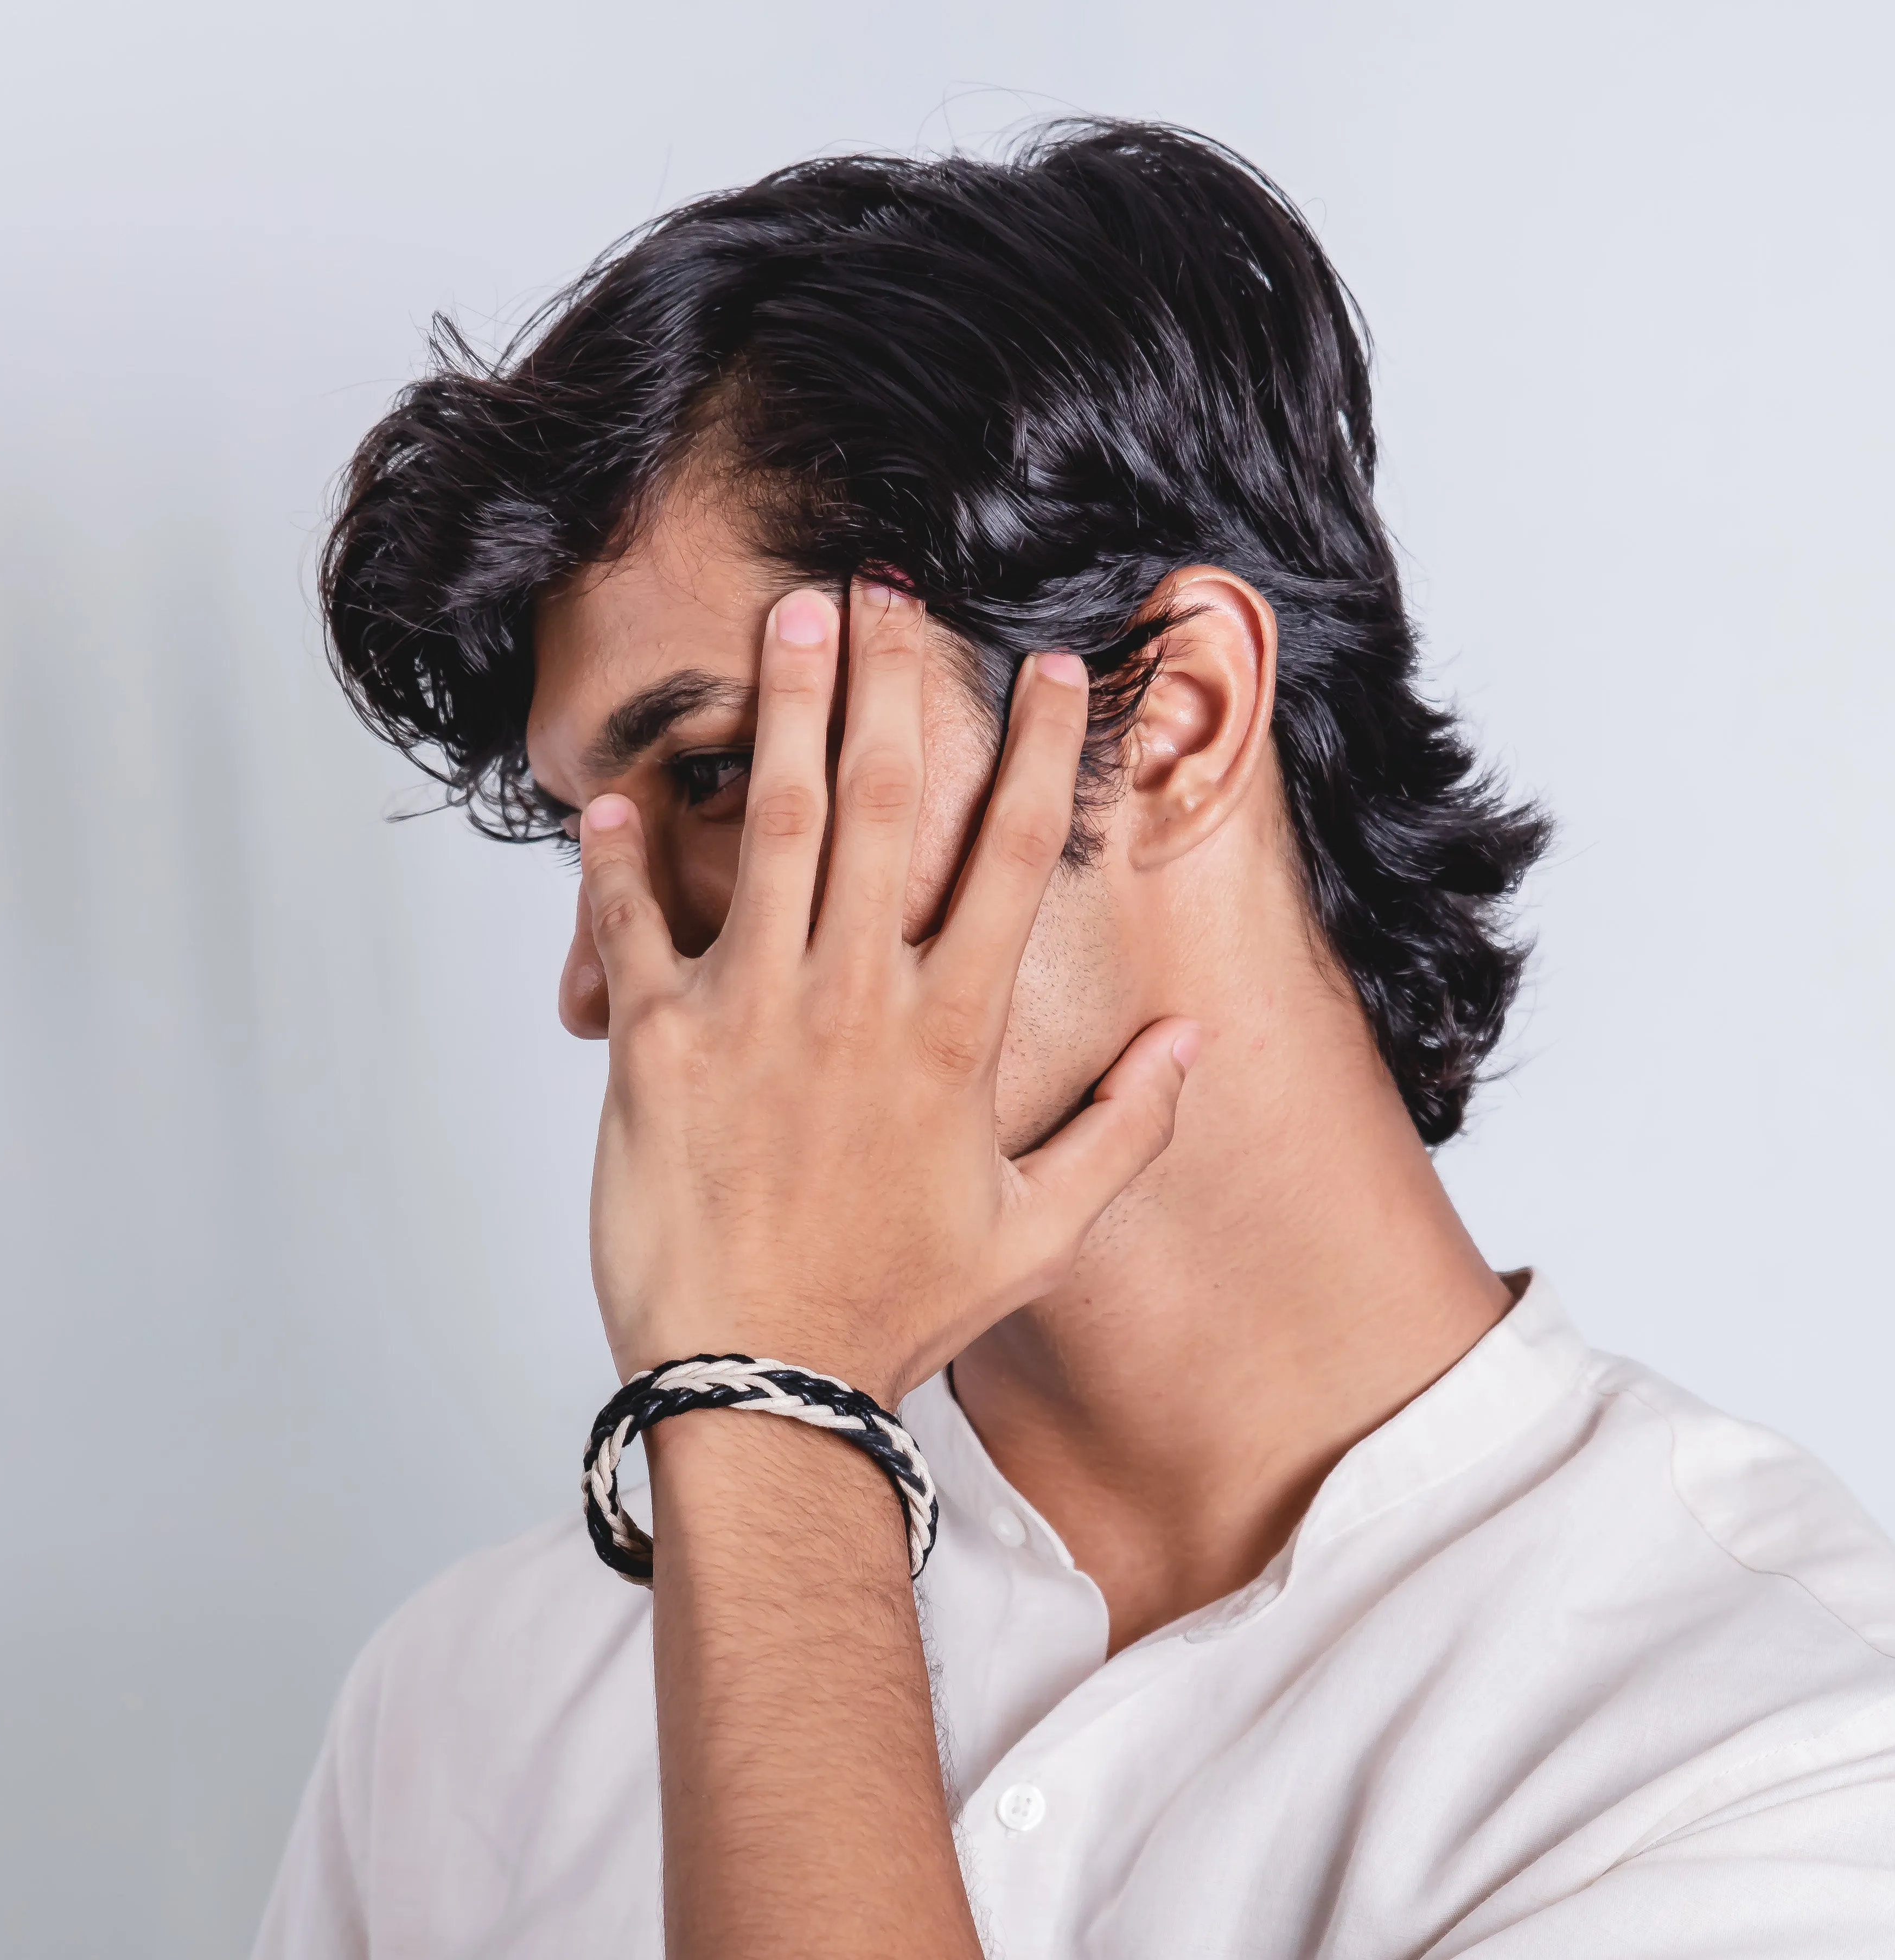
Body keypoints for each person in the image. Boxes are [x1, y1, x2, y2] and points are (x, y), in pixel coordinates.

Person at [255, 122, 1895, 1958]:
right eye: (591, 833)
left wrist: (768, 1391)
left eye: (714, 770)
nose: (602, 973)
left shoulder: (1766, 1759)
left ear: (1179, 718)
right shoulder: (464, 1723)